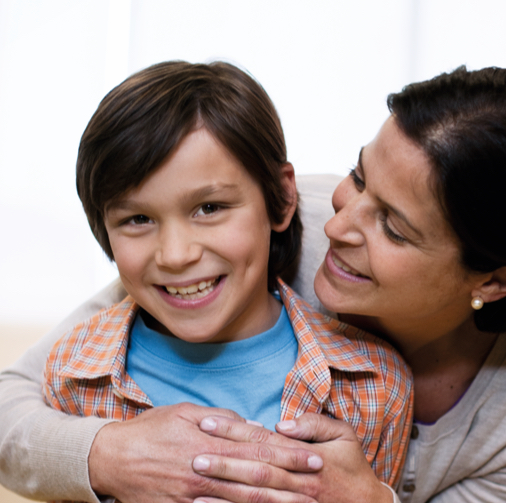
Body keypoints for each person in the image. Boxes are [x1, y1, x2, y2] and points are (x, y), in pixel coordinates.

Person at [0, 65, 506, 503]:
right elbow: (17, 401)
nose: (340, 224)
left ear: (496, 280)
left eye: (392, 226)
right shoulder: (269, 231)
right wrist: (108, 453)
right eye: (359, 177)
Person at [33, 59, 412, 501]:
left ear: (283, 198)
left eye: (209, 208)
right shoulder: (74, 374)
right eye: (138, 218)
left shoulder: (373, 384)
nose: (176, 255)